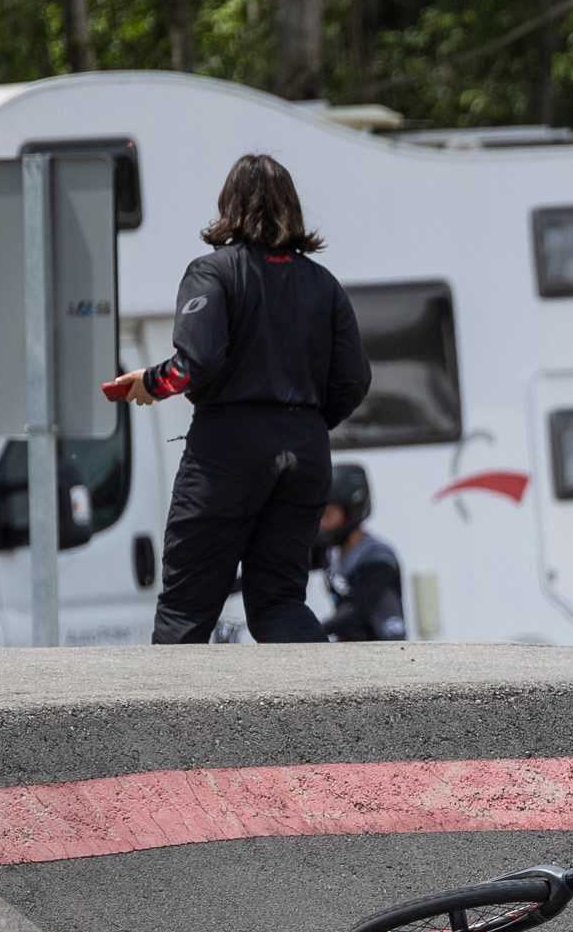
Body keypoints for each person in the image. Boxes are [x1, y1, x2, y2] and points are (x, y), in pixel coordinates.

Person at [107, 153, 369, 644]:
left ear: (229, 205)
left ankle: (170, 723)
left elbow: (194, 364)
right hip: (307, 450)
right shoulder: (325, 286)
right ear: (292, 207)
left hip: (228, 451)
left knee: (187, 609)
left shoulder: (213, 273)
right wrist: (304, 424)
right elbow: (353, 381)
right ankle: (325, 716)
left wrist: (149, 384)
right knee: (279, 604)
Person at [317, 461, 405, 641]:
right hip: (353, 653)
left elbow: (357, 610)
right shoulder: (331, 552)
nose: (322, 524)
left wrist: (309, 630)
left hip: (385, 655)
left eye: (328, 515)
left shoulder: (378, 558)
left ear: (351, 511)